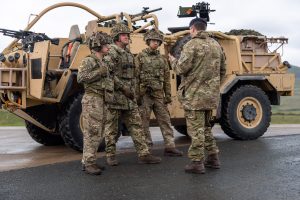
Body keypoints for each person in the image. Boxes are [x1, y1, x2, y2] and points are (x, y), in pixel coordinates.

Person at [169, 18, 226, 174]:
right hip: (211, 97)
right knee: (206, 128)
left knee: (196, 130)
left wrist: (173, 61)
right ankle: (213, 157)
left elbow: (181, 69)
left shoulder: (191, 45)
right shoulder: (216, 45)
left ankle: (196, 162)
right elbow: (223, 70)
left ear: (192, 29)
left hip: (195, 96)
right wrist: (212, 86)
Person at [104, 23, 161, 166]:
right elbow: (107, 73)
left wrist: (136, 93)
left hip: (129, 98)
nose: (127, 37)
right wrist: (123, 87)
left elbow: (134, 76)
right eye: (124, 35)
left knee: (137, 126)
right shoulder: (111, 52)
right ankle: (110, 155)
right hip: (115, 97)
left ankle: (144, 154)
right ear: (116, 37)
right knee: (111, 128)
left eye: (128, 35)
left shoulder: (128, 54)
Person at [135, 29, 183, 156]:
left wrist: (168, 96)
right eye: (153, 41)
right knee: (143, 122)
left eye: (158, 41)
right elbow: (135, 77)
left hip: (158, 94)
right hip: (144, 95)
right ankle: (147, 148)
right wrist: (137, 95)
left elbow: (167, 79)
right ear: (148, 41)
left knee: (165, 120)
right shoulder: (140, 57)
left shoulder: (162, 59)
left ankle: (170, 146)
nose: (155, 43)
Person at [77, 31, 114, 175]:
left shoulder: (102, 62)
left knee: (98, 132)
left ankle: (89, 160)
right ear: (98, 46)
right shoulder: (89, 61)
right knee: (91, 132)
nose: (109, 47)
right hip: (93, 100)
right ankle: (88, 163)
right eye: (106, 45)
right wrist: (100, 72)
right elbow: (81, 78)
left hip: (102, 99)